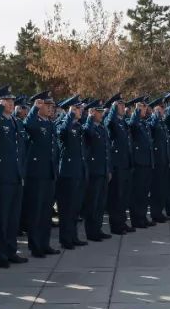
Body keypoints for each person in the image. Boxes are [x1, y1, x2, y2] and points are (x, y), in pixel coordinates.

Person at [0, 86, 27, 266]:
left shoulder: (15, 122)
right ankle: (0, 254)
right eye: (6, 101)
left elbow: (20, 150)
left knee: (12, 218)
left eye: (11, 101)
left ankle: (11, 250)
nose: (10, 104)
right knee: (1, 218)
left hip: (15, 175)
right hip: (1, 176)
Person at [24, 91, 60, 257]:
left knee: (46, 212)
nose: (50, 108)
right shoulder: (35, 121)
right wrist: (34, 109)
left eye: (51, 105)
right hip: (37, 173)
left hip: (49, 173)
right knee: (36, 212)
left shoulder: (50, 123)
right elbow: (28, 125)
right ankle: (35, 245)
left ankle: (45, 243)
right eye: (47, 105)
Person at [55, 95, 87, 248]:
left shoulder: (78, 126)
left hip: (78, 171)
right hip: (67, 173)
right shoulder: (63, 124)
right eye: (77, 108)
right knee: (66, 208)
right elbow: (63, 133)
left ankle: (73, 236)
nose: (81, 111)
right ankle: (65, 239)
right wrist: (69, 115)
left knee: (75, 208)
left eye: (80, 108)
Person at [81, 99, 112, 242]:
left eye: (101, 111)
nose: (101, 114)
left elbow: (107, 151)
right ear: (92, 113)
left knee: (101, 202)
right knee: (92, 203)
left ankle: (98, 229)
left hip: (103, 170)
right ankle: (91, 232)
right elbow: (88, 134)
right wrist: (89, 118)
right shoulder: (88, 127)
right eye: (98, 112)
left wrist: (109, 169)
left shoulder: (102, 127)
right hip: (94, 171)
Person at [105, 95, 133, 234]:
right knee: (116, 197)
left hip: (125, 163)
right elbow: (109, 122)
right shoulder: (112, 121)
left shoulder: (122, 122)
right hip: (117, 165)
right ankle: (116, 225)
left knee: (123, 197)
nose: (123, 107)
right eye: (120, 105)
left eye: (123, 105)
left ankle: (122, 222)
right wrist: (112, 109)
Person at [127, 97, 154, 228]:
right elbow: (132, 124)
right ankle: (136, 219)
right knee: (137, 193)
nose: (145, 109)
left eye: (144, 107)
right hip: (139, 163)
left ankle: (142, 216)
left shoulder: (144, 123)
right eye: (142, 107)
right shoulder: (132, 121)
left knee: (144, 193)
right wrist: (137, 111)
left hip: (147, 162)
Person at [147, 97, 170, 223]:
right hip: (157, 161)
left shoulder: (162, 123)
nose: (163, 110)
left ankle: (160, 211)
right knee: (156, 189)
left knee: (162, 188)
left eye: (163, 108)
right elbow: (152, 126)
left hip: (164, 160)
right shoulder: (152, 121)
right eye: (161, 108)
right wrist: (155, 114)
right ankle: (155, 213)